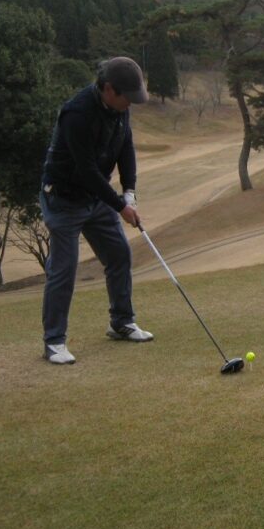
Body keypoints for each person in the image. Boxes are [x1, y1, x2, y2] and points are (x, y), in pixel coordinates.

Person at [39, 56, 154, 365]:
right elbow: (86, 170)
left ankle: (121, 323)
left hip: (95, 197)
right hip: (63, 197)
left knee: (119, 254)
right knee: (64, 268)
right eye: (126, 98)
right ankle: (54, 342)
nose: (129, 105)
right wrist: (120, 206)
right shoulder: (77, 114)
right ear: (108, 89)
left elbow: (125, 146)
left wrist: (129, 192)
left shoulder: (119, 109)